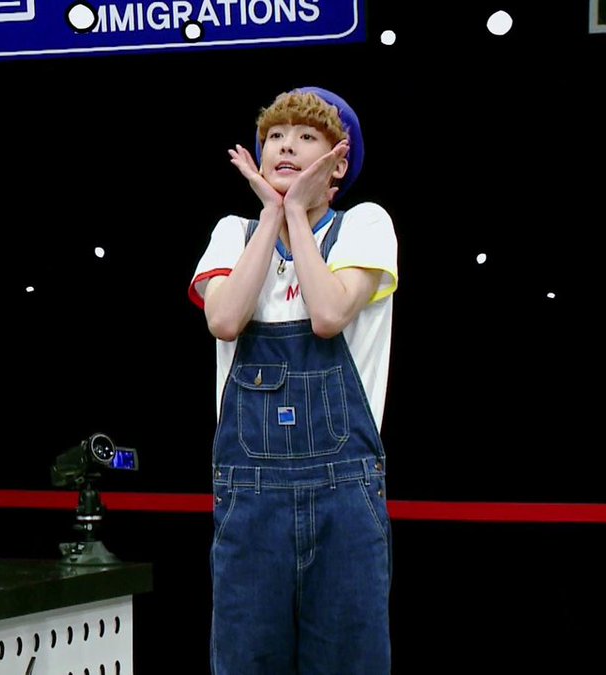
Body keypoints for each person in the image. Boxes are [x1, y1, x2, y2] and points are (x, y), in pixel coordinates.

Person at [187, 87, 398, 673]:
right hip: (249, 503)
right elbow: (224, 320)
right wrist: (271, 216)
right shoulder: (233, 232)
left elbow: (329, 314)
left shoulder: (364, 225)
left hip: (344, 501)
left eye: (307, 137)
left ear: (338, 164)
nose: (285, 146)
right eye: (275, 137)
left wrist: (298, 216)